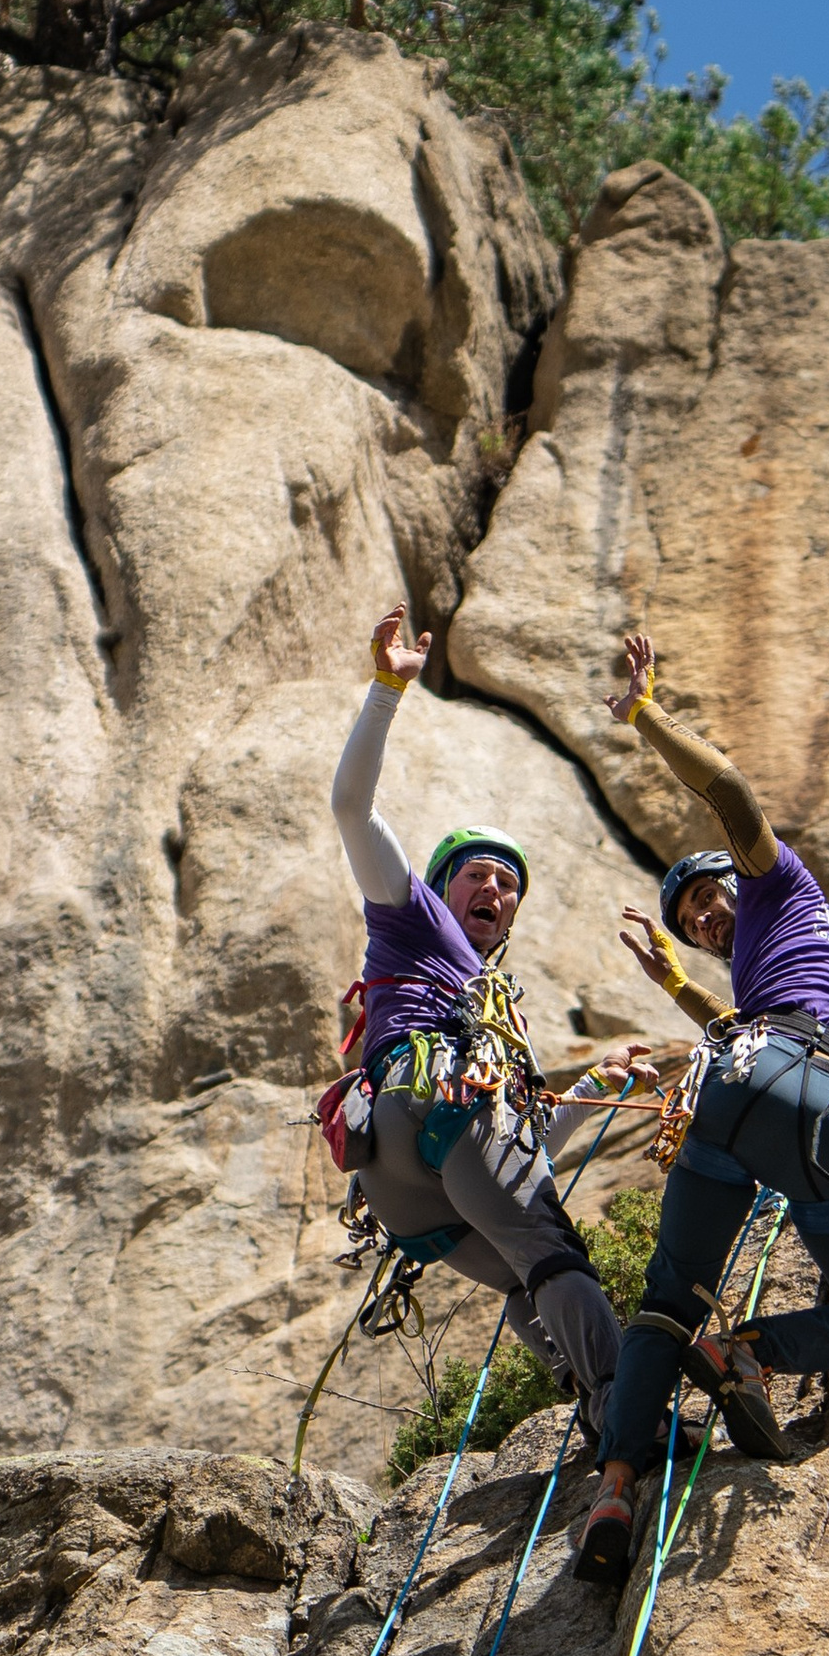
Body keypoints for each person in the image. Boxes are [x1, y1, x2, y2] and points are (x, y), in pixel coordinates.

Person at [574, 627, 829, 1585]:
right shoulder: (778, 926)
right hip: (805, 1088)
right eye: (692, 921)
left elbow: (731, 803)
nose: (707, 916)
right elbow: (728, 793)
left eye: (712, 898)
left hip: (739, 1086)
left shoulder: (780, 892)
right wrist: (644, 713)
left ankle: (615, 1484)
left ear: (743, 880)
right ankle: (747, 1354)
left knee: (664, 1300)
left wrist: (682, 985)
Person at [329, 607, 633, 1448]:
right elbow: (352, 809)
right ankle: (626, 1410)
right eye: (479, 876)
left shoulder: (497, 1013)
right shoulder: (415, 919)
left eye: (508, 886)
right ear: (441, 884)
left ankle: (588, 1402)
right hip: (438, 1119)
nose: (494, 892)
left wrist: (598, 1092)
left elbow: (523, 1148)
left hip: (410, 1189)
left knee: (523, 1276)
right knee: (554, 1253)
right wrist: (388, 691)